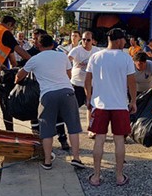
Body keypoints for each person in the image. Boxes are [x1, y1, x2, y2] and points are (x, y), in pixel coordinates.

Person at [15, 34, 85, 170]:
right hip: (67, 92)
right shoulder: (62, 56)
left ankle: (47, 161)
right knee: (73, 127)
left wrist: (16, 81)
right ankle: (76, 158)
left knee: (46, 130)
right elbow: (69, 75)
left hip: (48, 95)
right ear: (52, 45)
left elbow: (20, 75)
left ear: (38, 45)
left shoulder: (34, 59)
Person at [85, 28, 137, 186]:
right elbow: (132, 82)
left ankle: (96, 176)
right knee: (119, 140)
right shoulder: (126, 58)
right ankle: (119, 177)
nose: (125, 43)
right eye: (124, 40)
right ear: (119, 40)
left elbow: (87, 80)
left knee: (99, 139)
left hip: (100, 104)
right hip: (120, 105)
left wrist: (88, 98)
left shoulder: (95, 56)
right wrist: (133, 100)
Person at [20, 28, 69, 150]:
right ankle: (37, 139)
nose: (35, 41)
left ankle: (62, 139)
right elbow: (22, 63)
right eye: (34, 38)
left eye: (37, 39)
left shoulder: (56, 49)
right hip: (36, 86)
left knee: (56, 115)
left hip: (50, 86)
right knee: (34, 113)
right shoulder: (32, 51)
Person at [68, 31, 100, 139]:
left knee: (91, 106)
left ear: (93, 41)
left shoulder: (97, 51)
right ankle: (72, 127)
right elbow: (68, 60)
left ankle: (91, 129)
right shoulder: (76, 50)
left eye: (88, 40)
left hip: (91, 84)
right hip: (77, 83)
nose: (85, 42)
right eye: (83, 39)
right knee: (73, 107)